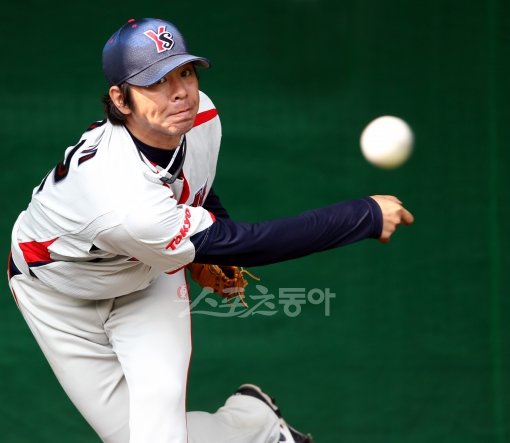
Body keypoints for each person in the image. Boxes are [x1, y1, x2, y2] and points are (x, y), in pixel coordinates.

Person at [7, 17, 414, 443]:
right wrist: (363, 215)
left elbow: (194, 183)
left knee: (157, 436)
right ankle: (255, 423)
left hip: (144, 276)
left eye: (185, 72)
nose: (180, 91)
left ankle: (255, 423)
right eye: (156, 81)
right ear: (120, 99)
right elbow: (244, 242)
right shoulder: (121, 197)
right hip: (58, 295)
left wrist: (204, 249)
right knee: (129, 436)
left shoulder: (199, 117)